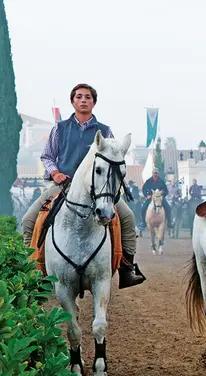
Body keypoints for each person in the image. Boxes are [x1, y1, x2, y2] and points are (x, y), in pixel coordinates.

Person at [20, 83, 145, 288]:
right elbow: (47, 156)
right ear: (73, 101)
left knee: (128, 218)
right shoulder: (59, 128)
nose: (83, 100)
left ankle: (126, 268)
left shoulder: (104, 131)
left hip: (99, 189)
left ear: (94, 102)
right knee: (28, 220)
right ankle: (33, 270)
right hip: (63, 185)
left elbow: (114, 156)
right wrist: (55, 173)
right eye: (79, 97)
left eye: (88, 97)